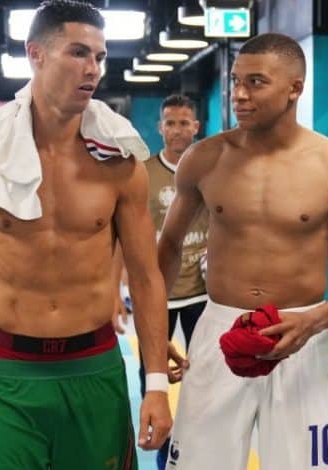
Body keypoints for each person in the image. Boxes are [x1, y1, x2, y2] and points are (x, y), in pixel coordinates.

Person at [0, 2, 172, 469]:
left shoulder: (120, 163)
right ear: (36, 54)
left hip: (94, 368)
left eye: (100, 57)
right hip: (9, 374)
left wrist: (157, 385)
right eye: (78, 52)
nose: (93, 69)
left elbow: (146, 277)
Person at [157, 33, 328, 470]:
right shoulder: (204, 159)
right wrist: (154, 334)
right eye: (235, 81)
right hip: (219, 330)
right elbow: (167, 245)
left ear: (295, 88)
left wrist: (313, 321)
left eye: (256, 82)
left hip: (302, 333)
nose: (239, 94)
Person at [113, 94, 207, 469]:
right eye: (170, 123)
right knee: (152, 376)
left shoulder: (209, 169)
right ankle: (164, 453)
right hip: (156, 294)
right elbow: (121, 234)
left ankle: (197, 449)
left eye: (184, 123)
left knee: (204, 376)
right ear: (160, 127)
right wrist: (115, 290)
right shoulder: (142, 173)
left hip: (203, 294)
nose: (177, 130)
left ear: (196, 127)